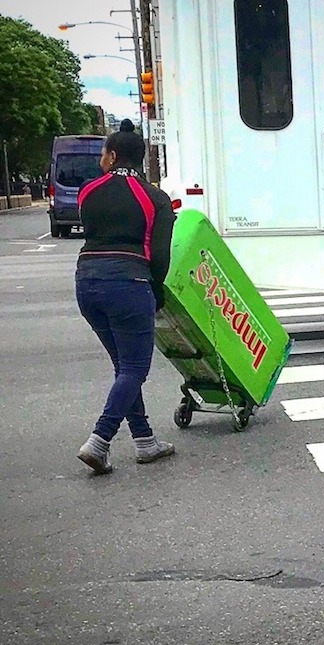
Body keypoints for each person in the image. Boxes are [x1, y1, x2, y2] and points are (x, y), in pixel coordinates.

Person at [75, 119, 177, 474]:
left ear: (113, 156)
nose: (102, 159)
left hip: (86, 281)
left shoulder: (88, 192)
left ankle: (145, 440)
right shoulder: (155, 198)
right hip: (129, 282)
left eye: (104, 153)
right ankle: (99, 440)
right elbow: (161, 256)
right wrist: (156, 288)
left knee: (124, 368)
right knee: (134, 368)